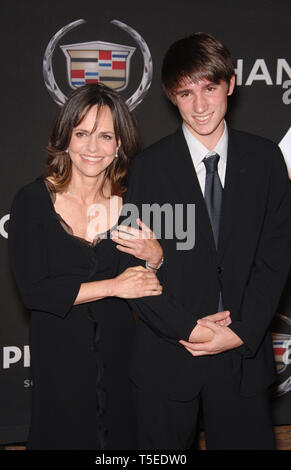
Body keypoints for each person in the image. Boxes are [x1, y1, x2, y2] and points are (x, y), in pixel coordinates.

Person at [113, 33, 291, 450]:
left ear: (230, 84)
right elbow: (134, 269)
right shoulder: (146, 169)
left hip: (242, 359)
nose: (199, 106)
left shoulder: (266, 160)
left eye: (210, 88)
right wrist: (189, 330)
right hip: (167, 357)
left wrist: (241, 333)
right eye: (186, 93)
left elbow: (275, 255)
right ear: (171, 97)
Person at [8, 83, 166, 450]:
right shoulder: (32, 201)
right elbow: (35, 292)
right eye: (82, 133)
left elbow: (149, 288)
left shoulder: (132, 207)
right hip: (59, 363)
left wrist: (156, 257)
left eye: (106, 136)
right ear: (65, 138)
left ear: (119, 146)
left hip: (122, 362)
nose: (93, 148)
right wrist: (113, 286)